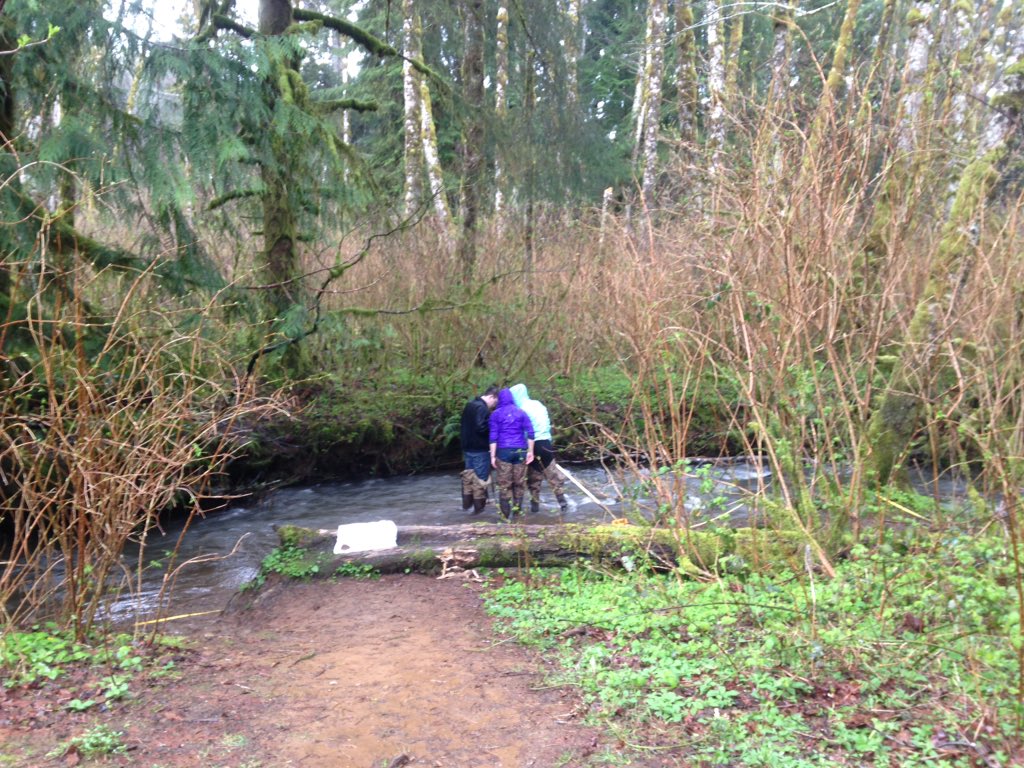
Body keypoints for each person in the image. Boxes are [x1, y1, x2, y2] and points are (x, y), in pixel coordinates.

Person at [509, 383, 569, 514]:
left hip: (530, 445)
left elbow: (522, 430)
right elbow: (546, 424)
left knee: (532, 478)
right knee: (553, 476)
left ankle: (531, 508)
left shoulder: (519, 409)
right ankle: (563, 504)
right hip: (545, 443)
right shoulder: (538, 405)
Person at [488, 388, 535, 520]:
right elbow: (531, 433)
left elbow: (493, 437)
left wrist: (492, 456)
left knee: (504, 484)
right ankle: (517, 514)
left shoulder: (495, 414)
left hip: (503, 452)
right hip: (520, 451)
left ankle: (505, 517)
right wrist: (530, 451)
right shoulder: (521, 413)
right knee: (519, 483)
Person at [460, 385, 499, 514]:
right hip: (480, 449)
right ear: (492, 396)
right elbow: (481, 428)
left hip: (467, 448)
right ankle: (479, 511)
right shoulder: (482, 408)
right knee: (480, 480)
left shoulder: (470, 404)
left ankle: (466, 507)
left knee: (468, 477)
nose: (494, 405)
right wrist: (493, 425)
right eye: (495, 401)